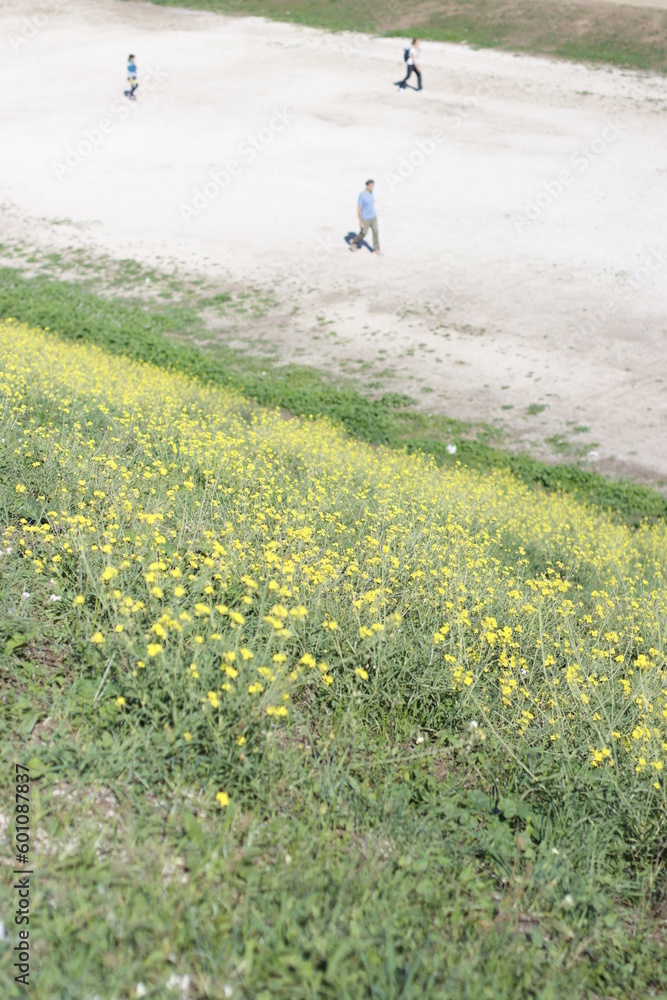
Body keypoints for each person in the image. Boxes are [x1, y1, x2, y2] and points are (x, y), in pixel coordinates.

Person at [350, 180, 381, 255]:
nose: (372, 187)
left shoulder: (371, 193)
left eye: (373, 186)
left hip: (373, 216)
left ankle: (377, 249)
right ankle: (354, 242)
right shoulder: (362, 195)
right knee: (364, 232)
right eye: (371, 186)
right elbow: (359, 208)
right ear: (367, 185)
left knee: (376, 232)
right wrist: (360, 221)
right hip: (365, 218)